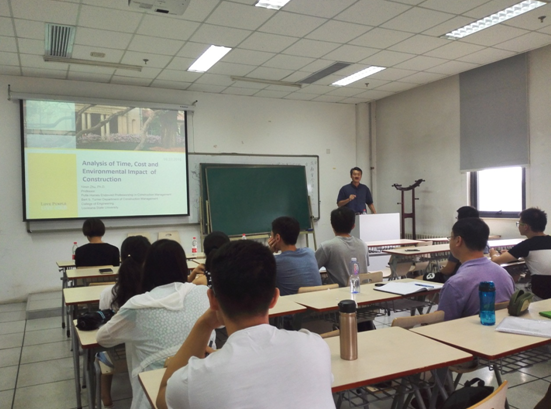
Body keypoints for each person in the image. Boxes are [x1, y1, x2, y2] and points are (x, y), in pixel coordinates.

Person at [156, 240, 335, 409]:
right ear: (274, 298)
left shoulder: (196, 380)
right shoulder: (315, 347)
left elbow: (163, 398)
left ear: (212, 300)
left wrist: (204, 324)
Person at [97, 239, 214, 409]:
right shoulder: (204, 293)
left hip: (154, 394)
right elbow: (220, 326)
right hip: (204, 387)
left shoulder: (136, 305)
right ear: (183, 266)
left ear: (147, 268)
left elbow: (103, 339)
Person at [97, 235, 150, 408]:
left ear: (122, 258)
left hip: (115, 349)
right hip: (148, 351)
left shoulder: (109, 293)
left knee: (99, 351)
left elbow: (104, 327)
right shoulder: (154, 290)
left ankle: (105, 394)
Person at [438, 218, 515, 321]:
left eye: (451, 237)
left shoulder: (455, 283)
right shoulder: (505, 274)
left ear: (458, 241)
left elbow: (443, 324)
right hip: (502, 328)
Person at [490, 207, 551, 299]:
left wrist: (493, 253)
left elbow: (496, 261)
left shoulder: (527, 245)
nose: (518, 226)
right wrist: (515, 255)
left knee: (507, 288)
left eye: (519, 223)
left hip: (541, 295)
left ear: (525, 227)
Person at [424, 206, 485, 283]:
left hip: (452, 278)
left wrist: (441, 270)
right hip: (476, 277)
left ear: (458, 240)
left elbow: (448, 270)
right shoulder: (482, 239)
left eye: (452, 237)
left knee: (420, 278)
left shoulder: (459, 245)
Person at [315, 207, 369, 287]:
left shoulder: (327, 247)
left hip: (338, 293)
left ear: (332, 225)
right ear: (353, 226)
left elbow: (312, 269)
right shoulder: (363, 245)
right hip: (362, 291)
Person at [268, 216, 321, 295]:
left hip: (293, 303)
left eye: (271, 236)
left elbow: (255, 271)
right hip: (319, 300)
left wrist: (269, 251)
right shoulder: (310, 253)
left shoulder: (275, 262)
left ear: (277, 238)